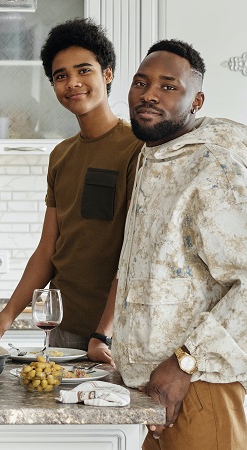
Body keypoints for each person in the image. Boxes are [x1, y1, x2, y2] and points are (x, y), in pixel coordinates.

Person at [115, 39, 247, 449]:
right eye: (141, 82)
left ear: (198, 100)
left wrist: (185, 361)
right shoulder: (154, 156)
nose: (149, 94)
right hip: (155, 395)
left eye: (169, 86)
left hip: (200, 389)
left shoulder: (213, 168)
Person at [0, 19, 141, 364]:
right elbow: (47, 250)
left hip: (114, 334)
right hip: (63, 330)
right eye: (60, 76)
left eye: (83, 70)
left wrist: (103, 332)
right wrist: (6, 316)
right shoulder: (61, 155)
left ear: (107, 74)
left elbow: (135, 256)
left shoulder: (136, 147)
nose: (72, 83)